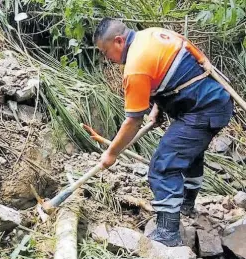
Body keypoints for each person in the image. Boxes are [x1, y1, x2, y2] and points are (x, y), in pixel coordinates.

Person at [94, 18, 233, 247]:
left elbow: (133, 120)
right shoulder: (152, 35)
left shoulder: (135, 67)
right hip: (215, 101)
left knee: (163, 166)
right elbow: (175, 68)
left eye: (105, 51)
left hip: (203, 109)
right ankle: (186, 206)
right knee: (189, 155)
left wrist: (111, 153)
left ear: (118, 41)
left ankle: (168, 233)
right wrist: (159, 107)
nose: (106, 58)